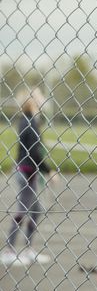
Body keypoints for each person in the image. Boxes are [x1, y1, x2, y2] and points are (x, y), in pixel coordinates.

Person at [0, 88, 57, 266]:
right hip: (25, 171)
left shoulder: (32, 120)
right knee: (23, 210)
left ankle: (28, 249)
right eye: (39, 95)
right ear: (31, 99)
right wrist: (49, 171)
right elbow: (34, 152)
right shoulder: (29, 121)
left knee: (35, 210)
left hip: (29, 171)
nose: (43, 98)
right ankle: (9, 250)